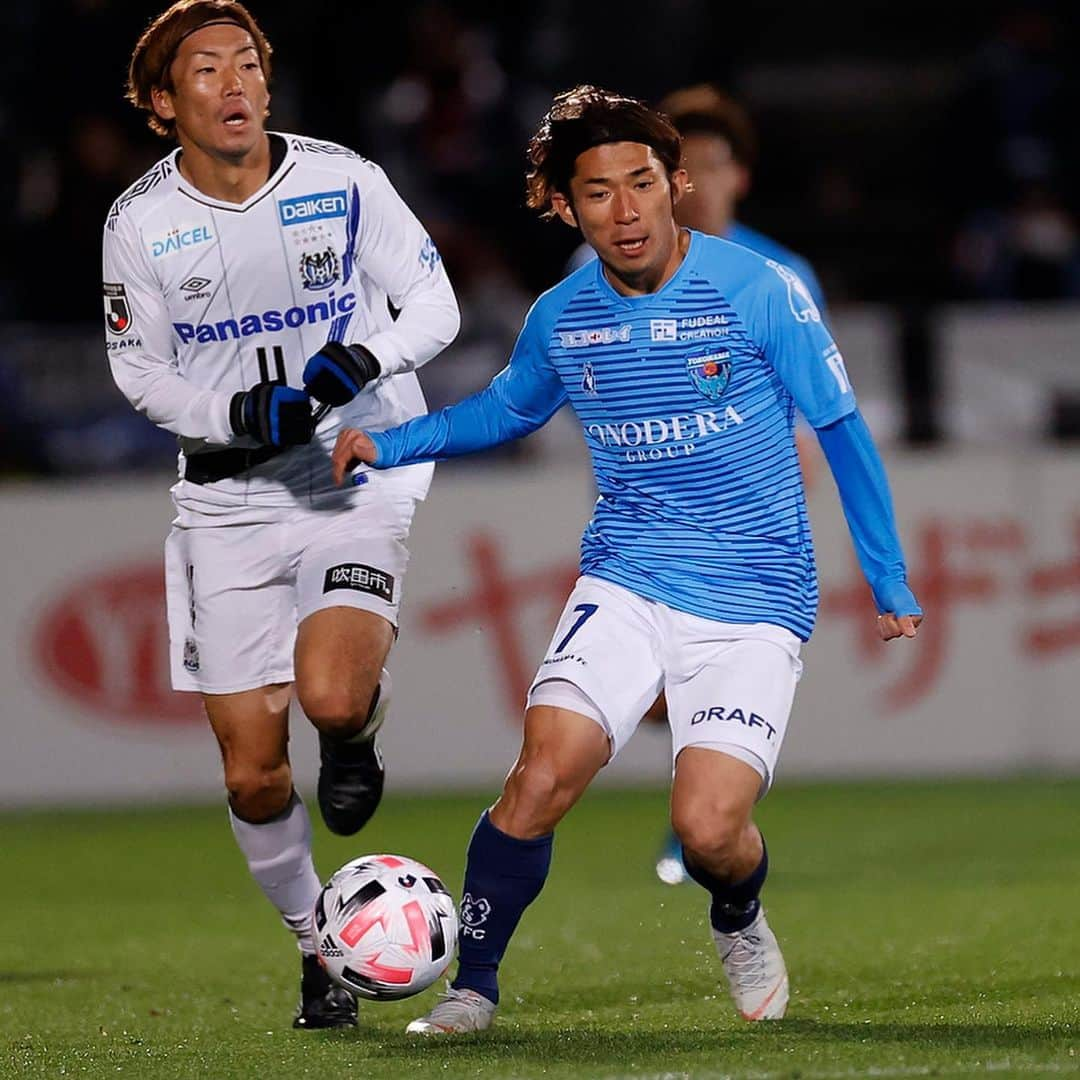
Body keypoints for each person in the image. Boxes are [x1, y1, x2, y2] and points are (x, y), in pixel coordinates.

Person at [333, 85, 922, 1033]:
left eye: (642, 183)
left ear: (675, 184)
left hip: (755, 595)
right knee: (542, 774)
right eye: (597, 192)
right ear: (565, 207)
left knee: (709, 830)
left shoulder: (757, 289)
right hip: (630, 575)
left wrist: (887, 577)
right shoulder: (564, 313)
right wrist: (391, 443)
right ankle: (473, 988)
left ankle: (738, 912)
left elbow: (843, 435)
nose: (625, 209)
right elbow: (505, 409)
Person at [103, 0, 459, 1029]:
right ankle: (322, 951)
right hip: (227, 501)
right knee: (254, 774)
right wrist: (233, 410)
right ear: (165, 104)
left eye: (247, 64)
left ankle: (357, 736)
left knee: (334, 700)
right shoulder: (139, 224)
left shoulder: (343, 179)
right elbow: (139, 372)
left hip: (351, 471)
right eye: (205, 71)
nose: (234, 84)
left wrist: (370, 356)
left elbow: (433, 305)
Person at [567, 86, 830, 885]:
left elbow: (813, 411)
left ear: (739, 177)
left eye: (717, 164)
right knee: (644, 690)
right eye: (687, 166)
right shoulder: (598, 262)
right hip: (641, 514)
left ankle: (703, 821)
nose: (702, 182)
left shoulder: (781, 273)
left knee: (703, 672)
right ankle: (704, 806)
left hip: (748, 523)